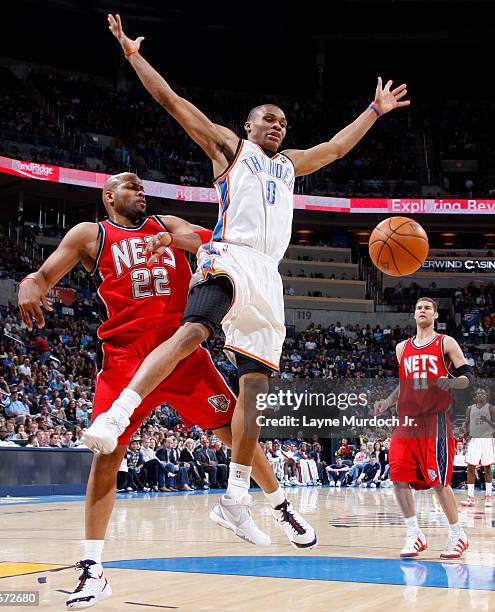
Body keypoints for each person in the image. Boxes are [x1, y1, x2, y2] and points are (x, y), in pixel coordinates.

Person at [85, 11, 409, 531]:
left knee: (253, 391)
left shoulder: (290, 164)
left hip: (269, 277)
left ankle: (235, 498)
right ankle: (121, 409)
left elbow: (335, 148)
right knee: (193, 329)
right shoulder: (230, 150)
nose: (278, 125)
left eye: (284, 121)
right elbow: (173, 104)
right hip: (229, 255)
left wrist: (374, 110)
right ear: (248, 126)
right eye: (269, 119)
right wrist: (133, 55)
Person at [18, 173, 315, 610]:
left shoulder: (167, 224)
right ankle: (92, 569)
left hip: (182, 354)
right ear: (109, 196)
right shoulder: (91, 234)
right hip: (126, 356)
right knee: (107, 456)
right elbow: (44, 274)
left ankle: (281, 505)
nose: (140, 191)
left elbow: (212, 246)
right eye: (130, 186)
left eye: (142, 187)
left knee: (237, 436)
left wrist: (182, 242)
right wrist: (31, 284)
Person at [375, 297, 473, 559]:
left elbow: (468, 377)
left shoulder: (445, 343)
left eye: (427, 308)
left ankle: (457, 534)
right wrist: (388, 401)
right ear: (413, 314)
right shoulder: (401, 348)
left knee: (439, 481)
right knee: (397, 477)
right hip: (406, 421)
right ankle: (414, 533)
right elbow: (405, 383)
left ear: (436, 315)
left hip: (434, 420)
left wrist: (452, 383)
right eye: (418, 307)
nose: (422, 311)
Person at [460, 387, 495, 508]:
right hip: (474, 439)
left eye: (483, 393)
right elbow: (466, 422)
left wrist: (487, 421)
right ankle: (470, 497)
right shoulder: (470, 408)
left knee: (487, 467)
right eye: (478, 393)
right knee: (470, 467)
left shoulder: (491, 408)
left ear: (486, 396)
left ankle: (488, 496)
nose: (480, 395)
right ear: (475, 397)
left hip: (487, 439)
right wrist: (464, 428)